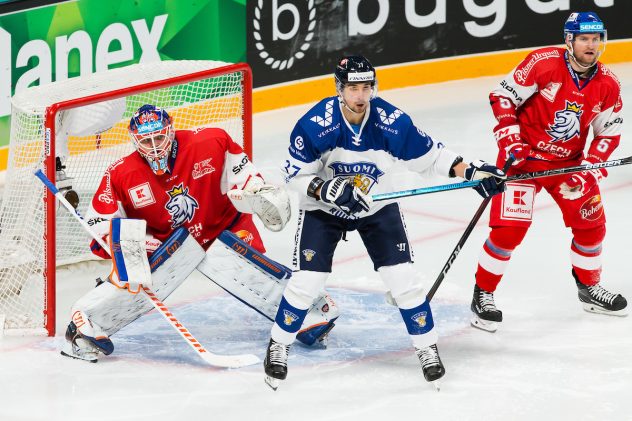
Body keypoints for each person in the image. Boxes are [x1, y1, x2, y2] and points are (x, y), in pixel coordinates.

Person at [263, 55, 507, 390]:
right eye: (353, 88)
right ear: (339, 89)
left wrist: (471, 171)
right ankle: (278, 344)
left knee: (404, 280)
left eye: (366, 87)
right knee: (309, 280)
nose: (360, 96)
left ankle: (427, 347)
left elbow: (432, 157)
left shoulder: (391, 121)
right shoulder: (316, 123)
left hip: (376, 207)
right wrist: (325, 188)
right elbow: (293, 174)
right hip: (323, 209)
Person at [61, 104, 336, 362]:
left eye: (159, 138)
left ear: (171, 130)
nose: (155, 148)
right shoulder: (120, 174)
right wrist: (131, 244)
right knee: (133, 270)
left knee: (245, 268)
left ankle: (308, 311)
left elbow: (247, 177)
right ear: (135, 142)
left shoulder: (211, 141)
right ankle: (84, 322)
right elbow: (99, 229)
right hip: (170, 245)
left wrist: (256, 192)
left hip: (224, 226)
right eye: (146, 142)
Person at [470, 11, 627, 333]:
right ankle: (483, 293)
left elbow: (609, 130)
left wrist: (590, 167)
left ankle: (588, 287)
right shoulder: (543, 63)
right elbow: (501, 96)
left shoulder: (608, 83)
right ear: (569, 40)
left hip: (568, 165)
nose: (591, 45)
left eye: (596, 39)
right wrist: (510, 137)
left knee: (591, 226)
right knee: (508, 232)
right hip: (522, 160)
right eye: (584, 38)